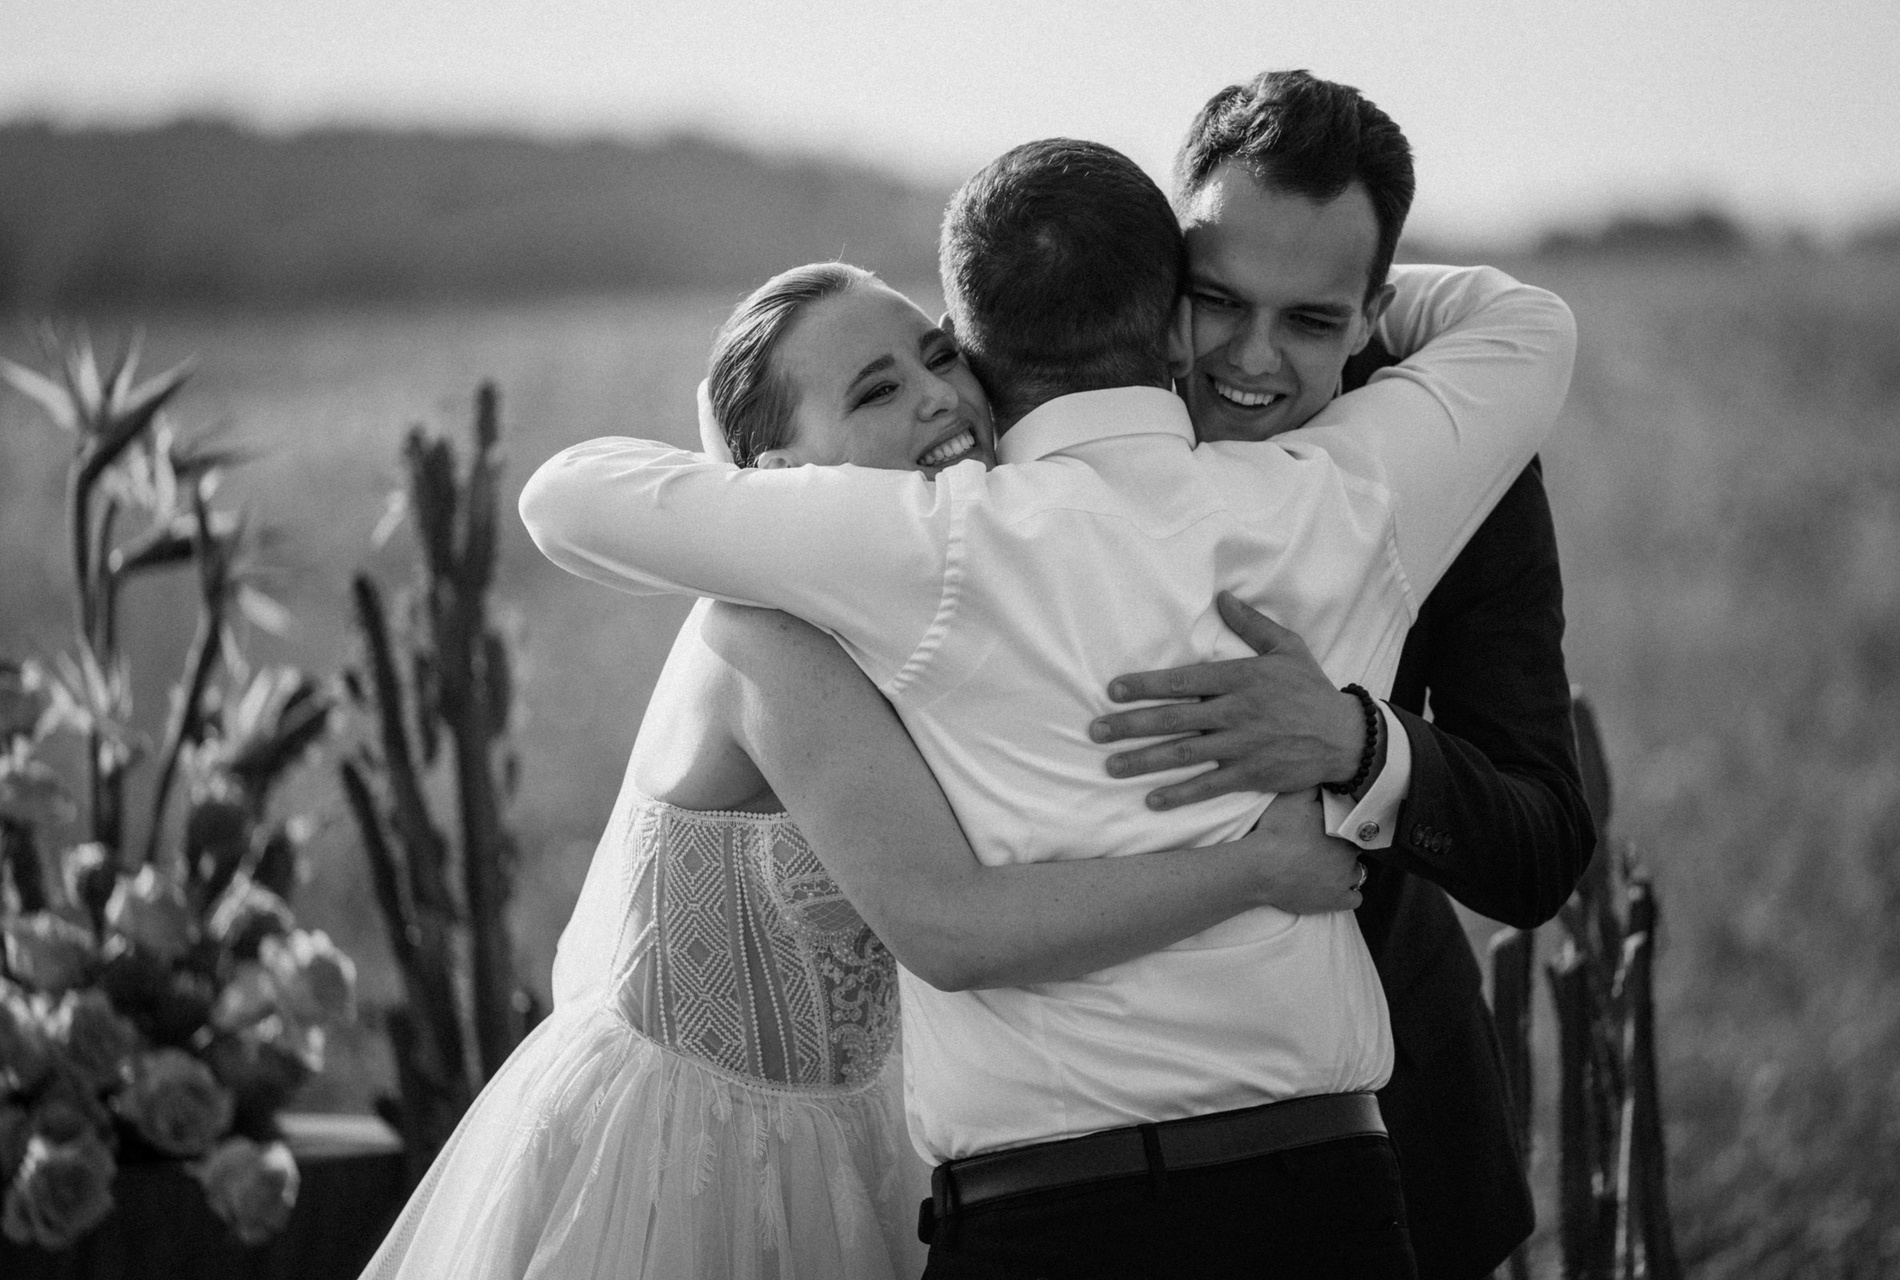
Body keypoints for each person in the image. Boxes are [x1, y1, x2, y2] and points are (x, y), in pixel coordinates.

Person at [521, 139, 1574, 1276]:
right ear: (1174, 321)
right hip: (1295, 1191)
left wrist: (761, 511)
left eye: (937, 358)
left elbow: (570, 497)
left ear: (976, 341)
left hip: (1128, 1199)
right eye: (1222, 301)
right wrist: (1335, 295)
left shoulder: (913, 546)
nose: (1256, 350)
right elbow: (1529, 327)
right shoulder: (1347, 492)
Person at [360, 264, 1381, 1280]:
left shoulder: (966, 575)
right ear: (772, 479)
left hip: (861, 1143)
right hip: (694, 1172)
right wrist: (1257, 870)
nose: (937, 394)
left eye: (940, 356)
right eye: (877, 390)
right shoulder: (767, 635)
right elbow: (949, 926)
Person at [1084, 72, 1597, 1278]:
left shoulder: (1459, 452)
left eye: (1313, 320)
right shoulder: (1061, 388)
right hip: (1076, 1148)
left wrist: (1361, 746)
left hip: (1389, 1127)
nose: (1251, 358)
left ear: (1374, 315)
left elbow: (1540, 842)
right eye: (1218, 299)